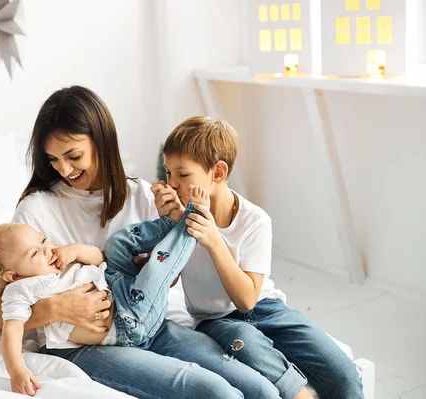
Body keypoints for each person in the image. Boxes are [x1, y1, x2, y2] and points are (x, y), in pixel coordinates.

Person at [0, 86, 280, 398]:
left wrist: (162, 244)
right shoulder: (36, 209)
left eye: (73, 156)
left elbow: (170, 276)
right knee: (217, 393)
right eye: (53, 159)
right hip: (85, 343)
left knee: (260, 390)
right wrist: (56, 308)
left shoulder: (141, 194)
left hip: (151, 323)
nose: (64, 169)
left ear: (102, 143)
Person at [152, 116, 365, 399]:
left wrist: (214, 239)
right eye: (168, 174)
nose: (173, 184)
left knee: (342, 371)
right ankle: (301, 395)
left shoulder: (255, 220)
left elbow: (247, 300)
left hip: (267, 308)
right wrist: (173, 228)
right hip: (217, 319)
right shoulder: (180, 217)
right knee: (250, 345)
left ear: (218, 173)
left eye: (183, 175)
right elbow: (166, 281)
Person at [0, 188, 209, 395]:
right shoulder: (20, 290)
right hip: (128, 322)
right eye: (34, 253)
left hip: (119, 288)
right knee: (155, 271)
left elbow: (100, 259)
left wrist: (76, 251)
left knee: (117, 242)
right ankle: (191, 224)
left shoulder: (58, 260)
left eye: (43, 240)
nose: (47, 249)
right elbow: (11, 331)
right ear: (14, 275)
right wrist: (16, 370)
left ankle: (169, 224)